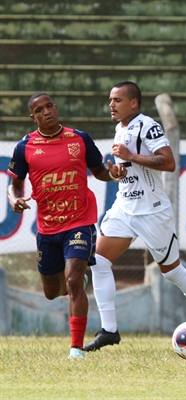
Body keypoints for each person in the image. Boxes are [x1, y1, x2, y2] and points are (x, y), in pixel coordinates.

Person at [84, 81, 186, 352]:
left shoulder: (148, 125)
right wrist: (116, 172)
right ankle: (109, 330)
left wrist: (131, 156)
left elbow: (169, 162)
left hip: (152, 211)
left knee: (172, 272)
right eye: (110, 100)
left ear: (134, 103)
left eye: (117, 100)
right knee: (98, 262)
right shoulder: (120, 128)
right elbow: (126, 170)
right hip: (124, 206)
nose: (111, 104)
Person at [7, 92, 127, 359]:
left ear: (56, 108)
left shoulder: (79, 138)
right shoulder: (24, 147)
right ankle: (73, 282)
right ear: (33, 116)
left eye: (50, 106)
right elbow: (15, 183)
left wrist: (114, 174)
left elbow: (100, 171)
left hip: (80, 221)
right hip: (48, 228)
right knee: (53, 292)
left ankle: (76, 348)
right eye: (40, 109)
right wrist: (14, 199)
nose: (47, 111)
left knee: (74, 281)